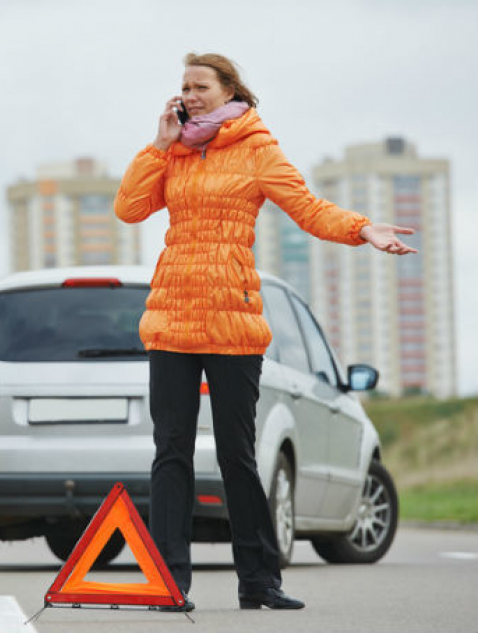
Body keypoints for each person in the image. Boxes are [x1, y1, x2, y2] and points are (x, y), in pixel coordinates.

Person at [114, 52, 417, 612]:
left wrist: (363, 228)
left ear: (229, 89)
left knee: (238, 455)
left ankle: (258, 579)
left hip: (232, 324)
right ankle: (168, 582)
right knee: (171, 452)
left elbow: (306, 208)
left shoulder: (257, 148)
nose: (190, 95)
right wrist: (157, 145)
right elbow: (129, 209)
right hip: (172, 321)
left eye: (200, 85)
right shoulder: (174, 150)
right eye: (184, 86)